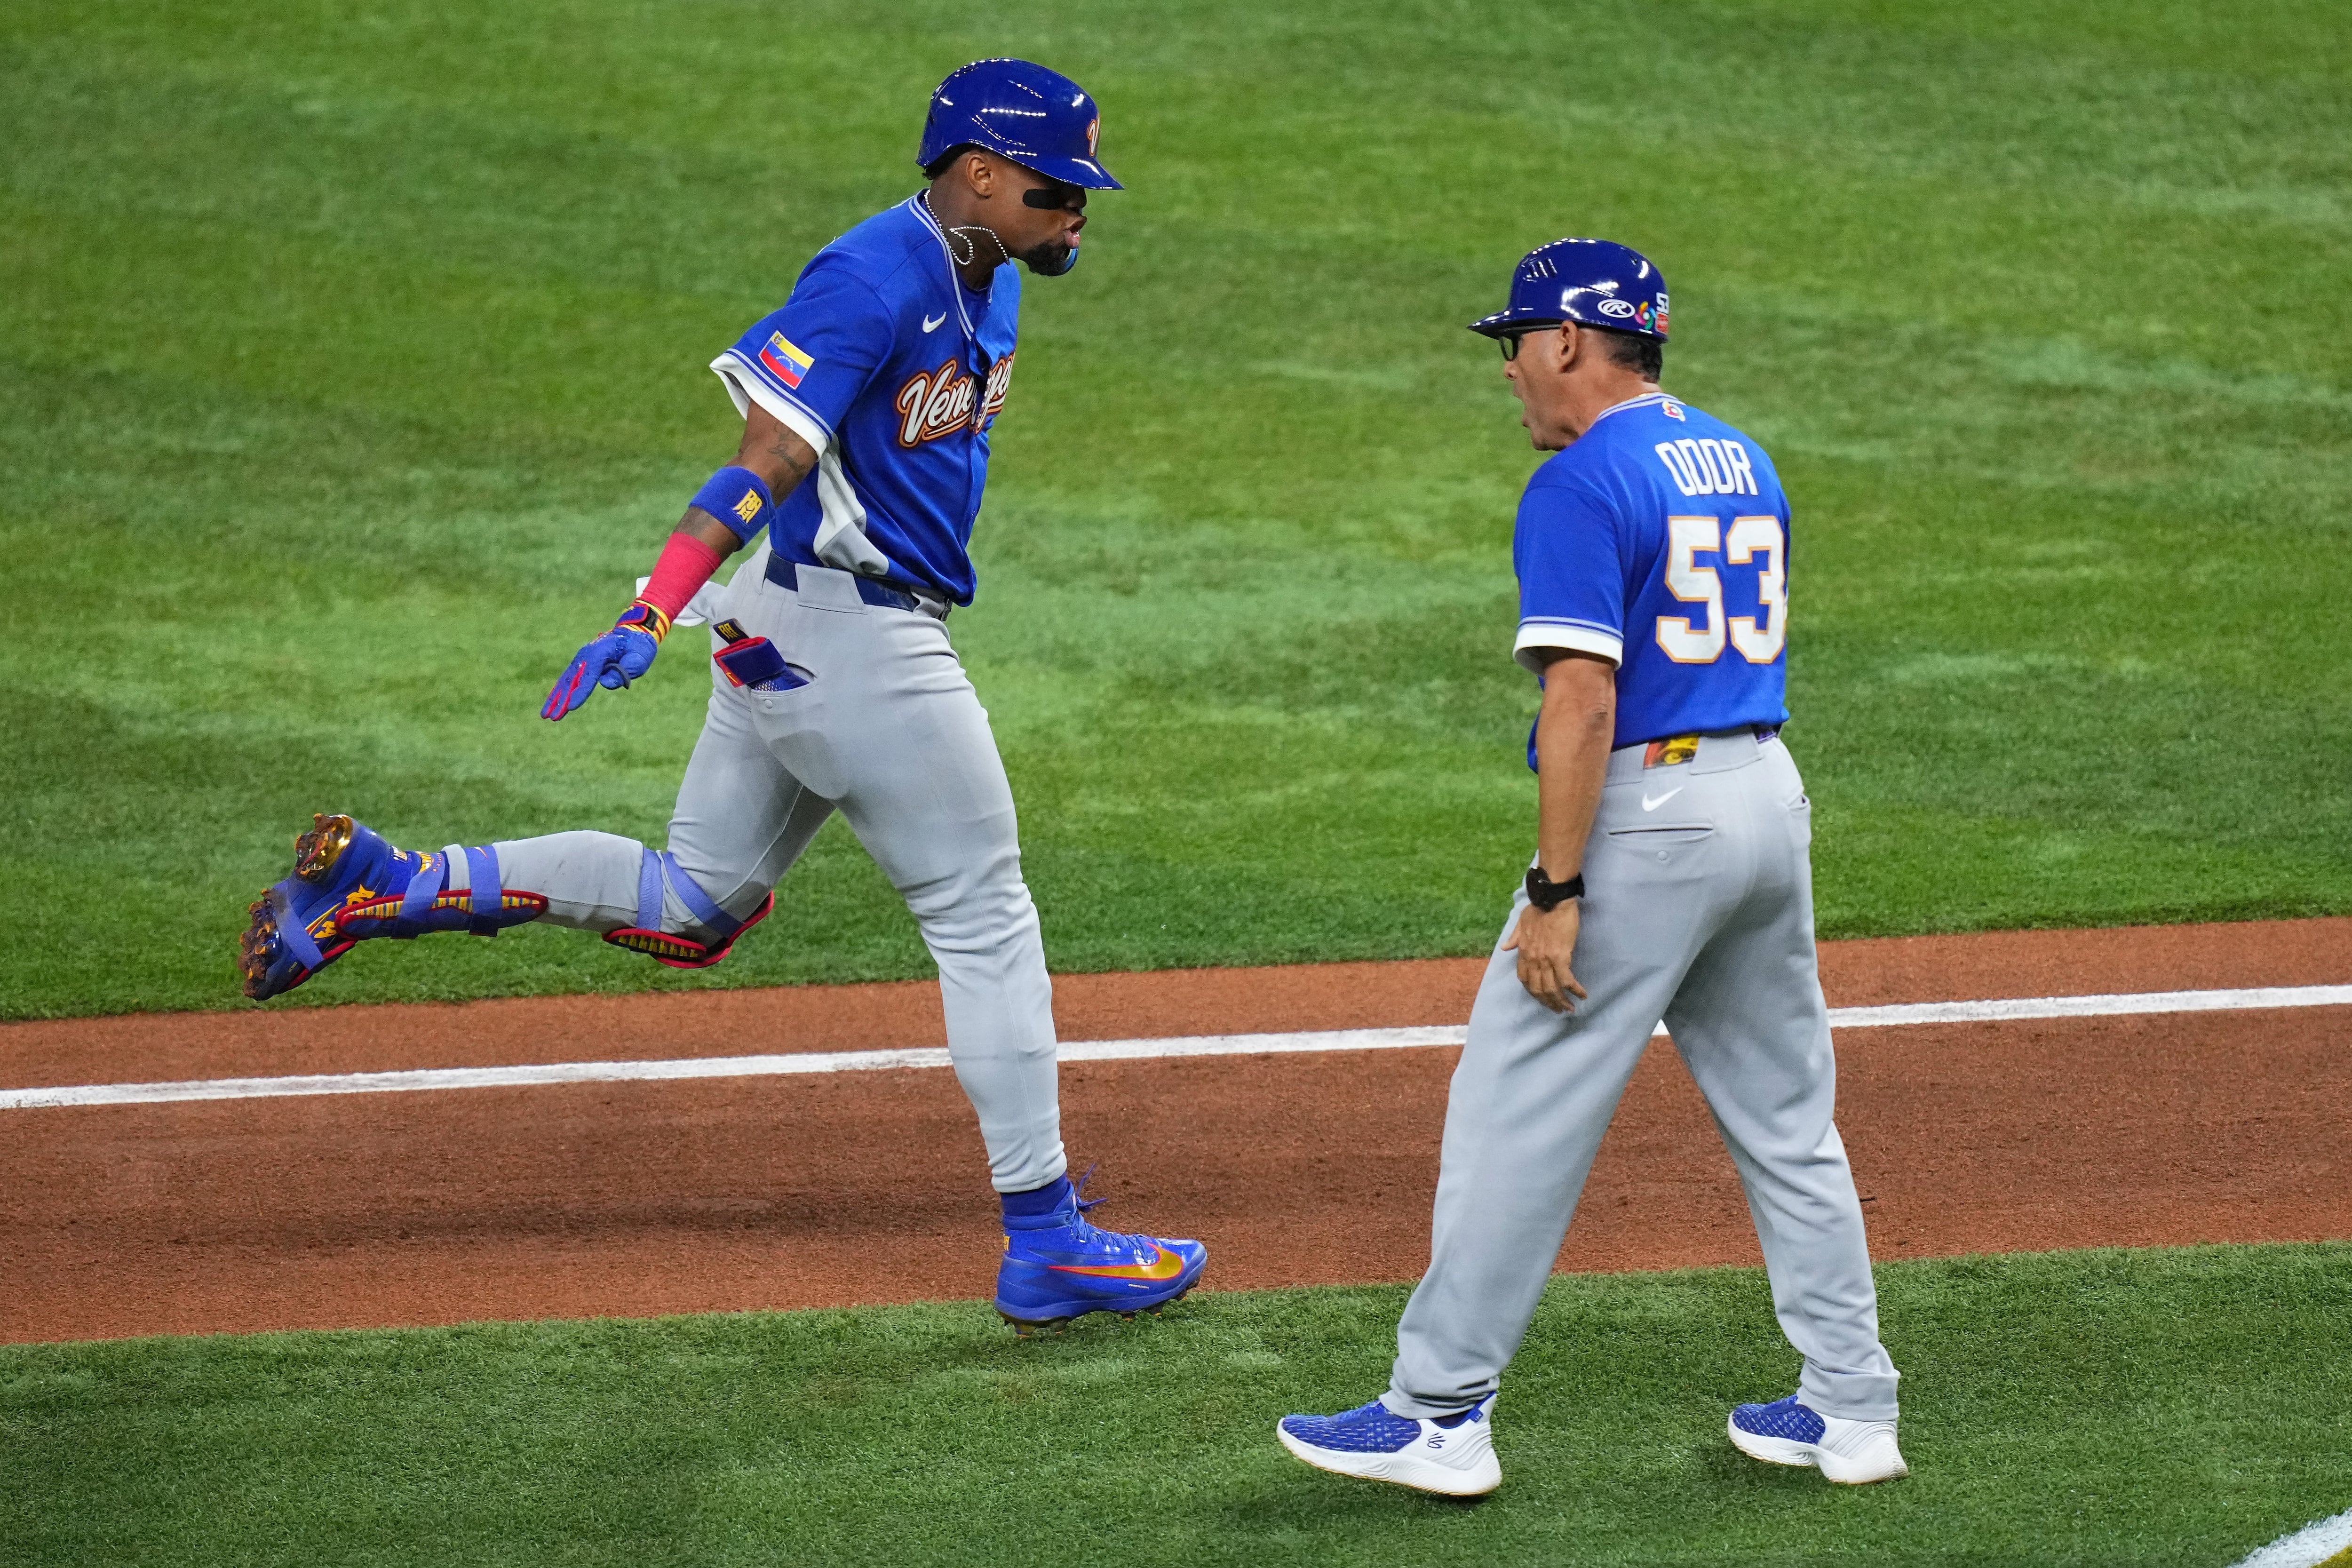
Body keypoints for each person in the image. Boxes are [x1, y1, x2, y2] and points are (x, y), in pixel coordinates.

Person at [235, 58, 1207, 1335]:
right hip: (848, 644)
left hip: (784, 632)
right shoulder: (871, 277)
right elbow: (766, 456)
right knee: (985, 915)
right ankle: (1050, 1241)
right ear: (976, 174)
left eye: (1082, 190)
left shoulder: (997, 279)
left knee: (692, 909)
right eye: (1053, 188)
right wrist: (651, 602)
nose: (1076, 209)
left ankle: (388, 885)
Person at [1276, 239, 1903, 1494]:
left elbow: (1581, 702)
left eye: (1515, 343)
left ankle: (1438, 1415)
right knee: (1790, 1126)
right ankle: (1853, 1408)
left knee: (1513, 1118)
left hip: (1650, 820)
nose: (1508, 370)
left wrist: (1559, 892)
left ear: (1569, 341)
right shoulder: (1742, 454)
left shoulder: (1578, 483)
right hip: (1767, 800)